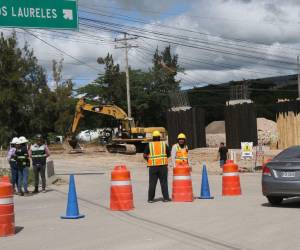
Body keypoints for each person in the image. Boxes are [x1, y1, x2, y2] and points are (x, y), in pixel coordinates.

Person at [143, 130, 171, 203]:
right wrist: (163, 158)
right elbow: (169, 153)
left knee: (152, 183)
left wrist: (149, 160)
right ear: (159, 137)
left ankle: (150, 199)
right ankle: (166, 198)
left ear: (153, 138)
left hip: (153, 167)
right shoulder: (163, 144)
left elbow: (144, 155)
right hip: (163, 166)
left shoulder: (150, 145)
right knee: (164, 183)